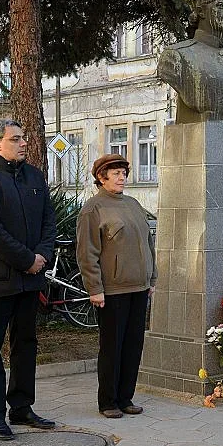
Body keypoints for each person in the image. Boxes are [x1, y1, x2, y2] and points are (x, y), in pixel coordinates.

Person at [0, 119, 57, 440]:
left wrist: (42, 255)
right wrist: (27, 260)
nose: (23, 143)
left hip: (30, 280)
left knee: (26, 344)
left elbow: (49, 221)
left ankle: (21, 406)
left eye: (24, 138)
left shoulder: (34, 176)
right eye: (16, 139)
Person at [76, 154, 157, 418]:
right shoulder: (93, 209)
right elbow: (87, 253)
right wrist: (95, 289)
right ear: (102, 178)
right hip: (112, 290)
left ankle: (125, 397)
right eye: (116, 173)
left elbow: (148, 244)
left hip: (139, 288)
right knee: (112, 347)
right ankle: (108, 402)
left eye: (124, 173)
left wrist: (152, 279)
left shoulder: (133, 204)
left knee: (133, 346)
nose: (122, 178)